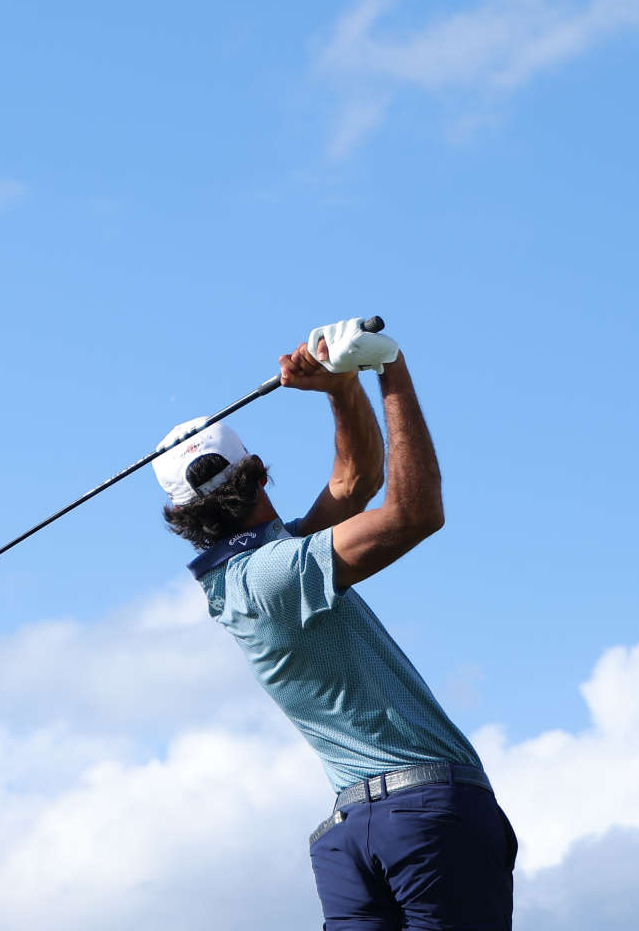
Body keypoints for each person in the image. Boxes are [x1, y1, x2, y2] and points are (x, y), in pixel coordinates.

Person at [155, 318, 517, 930]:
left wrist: (339, 385)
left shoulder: (248, 575)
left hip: (356, 837)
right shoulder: (274, 574)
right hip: (426, 818)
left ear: (182, 516)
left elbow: (356, 481)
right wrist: (390, 368)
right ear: (259, 471)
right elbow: (413, 511)